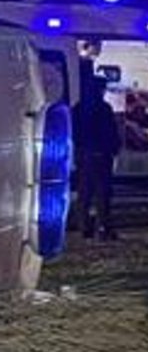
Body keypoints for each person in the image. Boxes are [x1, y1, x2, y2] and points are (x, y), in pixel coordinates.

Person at [72, 76, 121, 240]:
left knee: (85, 193)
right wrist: (114, 148)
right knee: (103, 193)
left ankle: (85, 227)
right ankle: (103, 227)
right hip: (101, 155)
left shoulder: (78, 108)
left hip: (84, 155)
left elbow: (75, 133)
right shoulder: (104, 108)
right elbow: (110, 132)